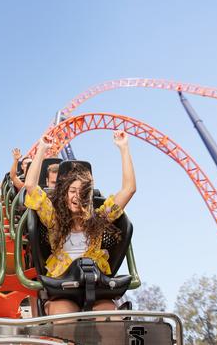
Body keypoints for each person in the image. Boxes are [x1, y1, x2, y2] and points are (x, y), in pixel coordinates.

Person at [24, 131, 136, 315]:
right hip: (64, 286)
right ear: (65, 195)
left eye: (83, 192)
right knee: (64, 316)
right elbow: (30, 186)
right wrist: (42, 148)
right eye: (72, 191)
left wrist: (124, 148)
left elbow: (129, 189)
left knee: (109, 317)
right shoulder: (54, 220)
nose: (78, 196)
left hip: (94, 286)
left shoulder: (99, 219)